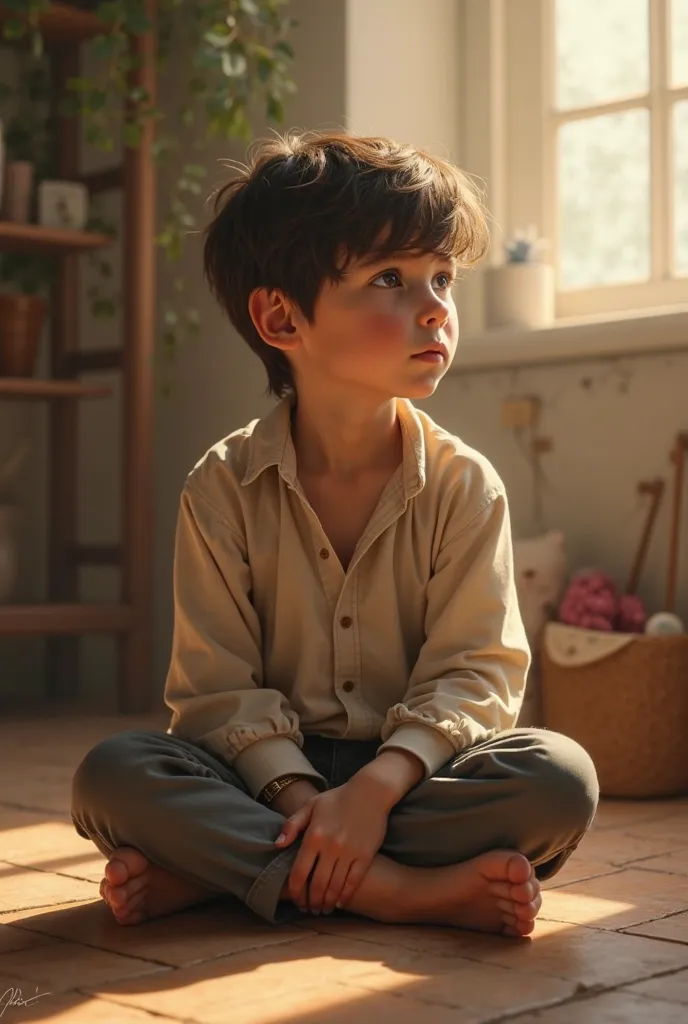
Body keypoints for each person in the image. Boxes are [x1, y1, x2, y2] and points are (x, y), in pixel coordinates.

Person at [71, 131, 598, 938]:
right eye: (391, 278)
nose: (435, 308)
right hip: (261, 777)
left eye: (442, 278)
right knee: (114, 777)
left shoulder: (463, 484)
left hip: (414, 775)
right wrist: (306, 800)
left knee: (559, 780)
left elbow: (475, 673)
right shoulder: (220, 487)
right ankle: (397, 890)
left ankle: (226, 874)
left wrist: (375, 790)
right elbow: (216, 691)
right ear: (282, 316)